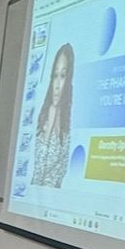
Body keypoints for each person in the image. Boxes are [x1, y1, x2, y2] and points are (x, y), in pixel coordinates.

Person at [31, 43, 74, 189]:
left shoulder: (67, 125)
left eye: (62, 76)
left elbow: (60, 173)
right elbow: (38, 172)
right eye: (55, 76)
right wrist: (48, 128)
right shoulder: (43, 115)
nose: (57, 84)